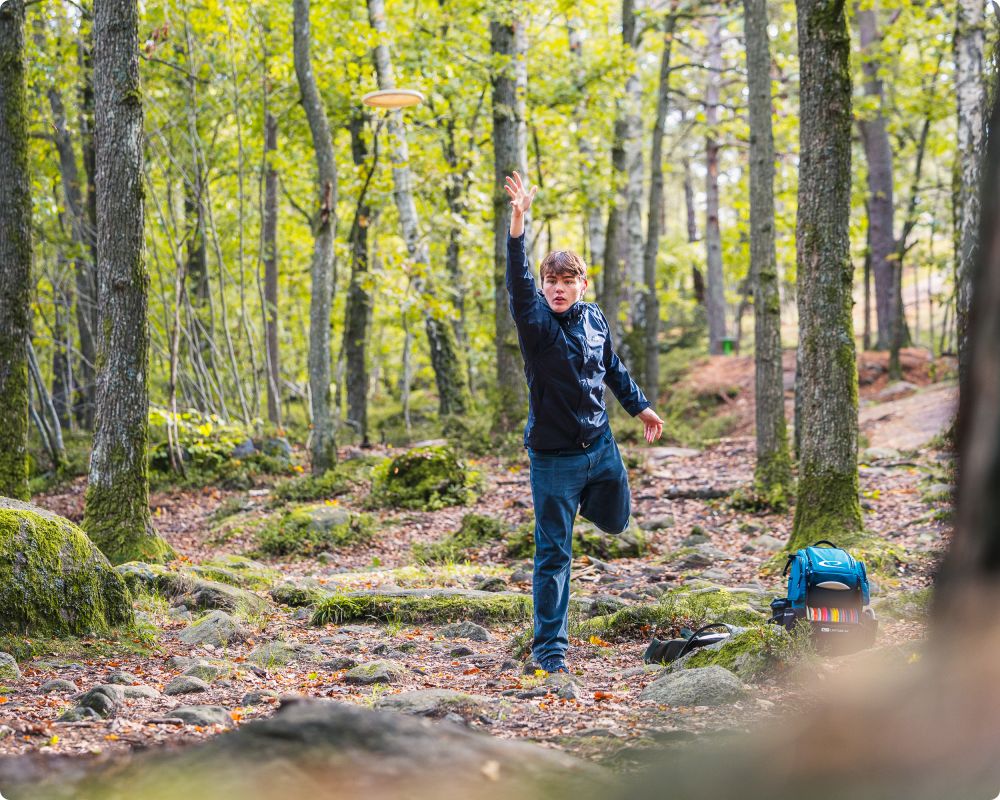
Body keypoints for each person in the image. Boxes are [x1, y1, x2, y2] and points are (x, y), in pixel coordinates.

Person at [504, 171, 664, 674]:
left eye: (566, 281)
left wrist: (639, 407)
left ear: (581, 284)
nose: (557, 288)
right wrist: (518, 223)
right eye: (551, 281)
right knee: (553, 556)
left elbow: (611, 366)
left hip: (601, 448)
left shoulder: (594, 318)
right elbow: (518, 281)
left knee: (617, 521)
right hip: (553, 460)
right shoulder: (536, 325)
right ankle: (550, 650)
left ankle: (586, 503)